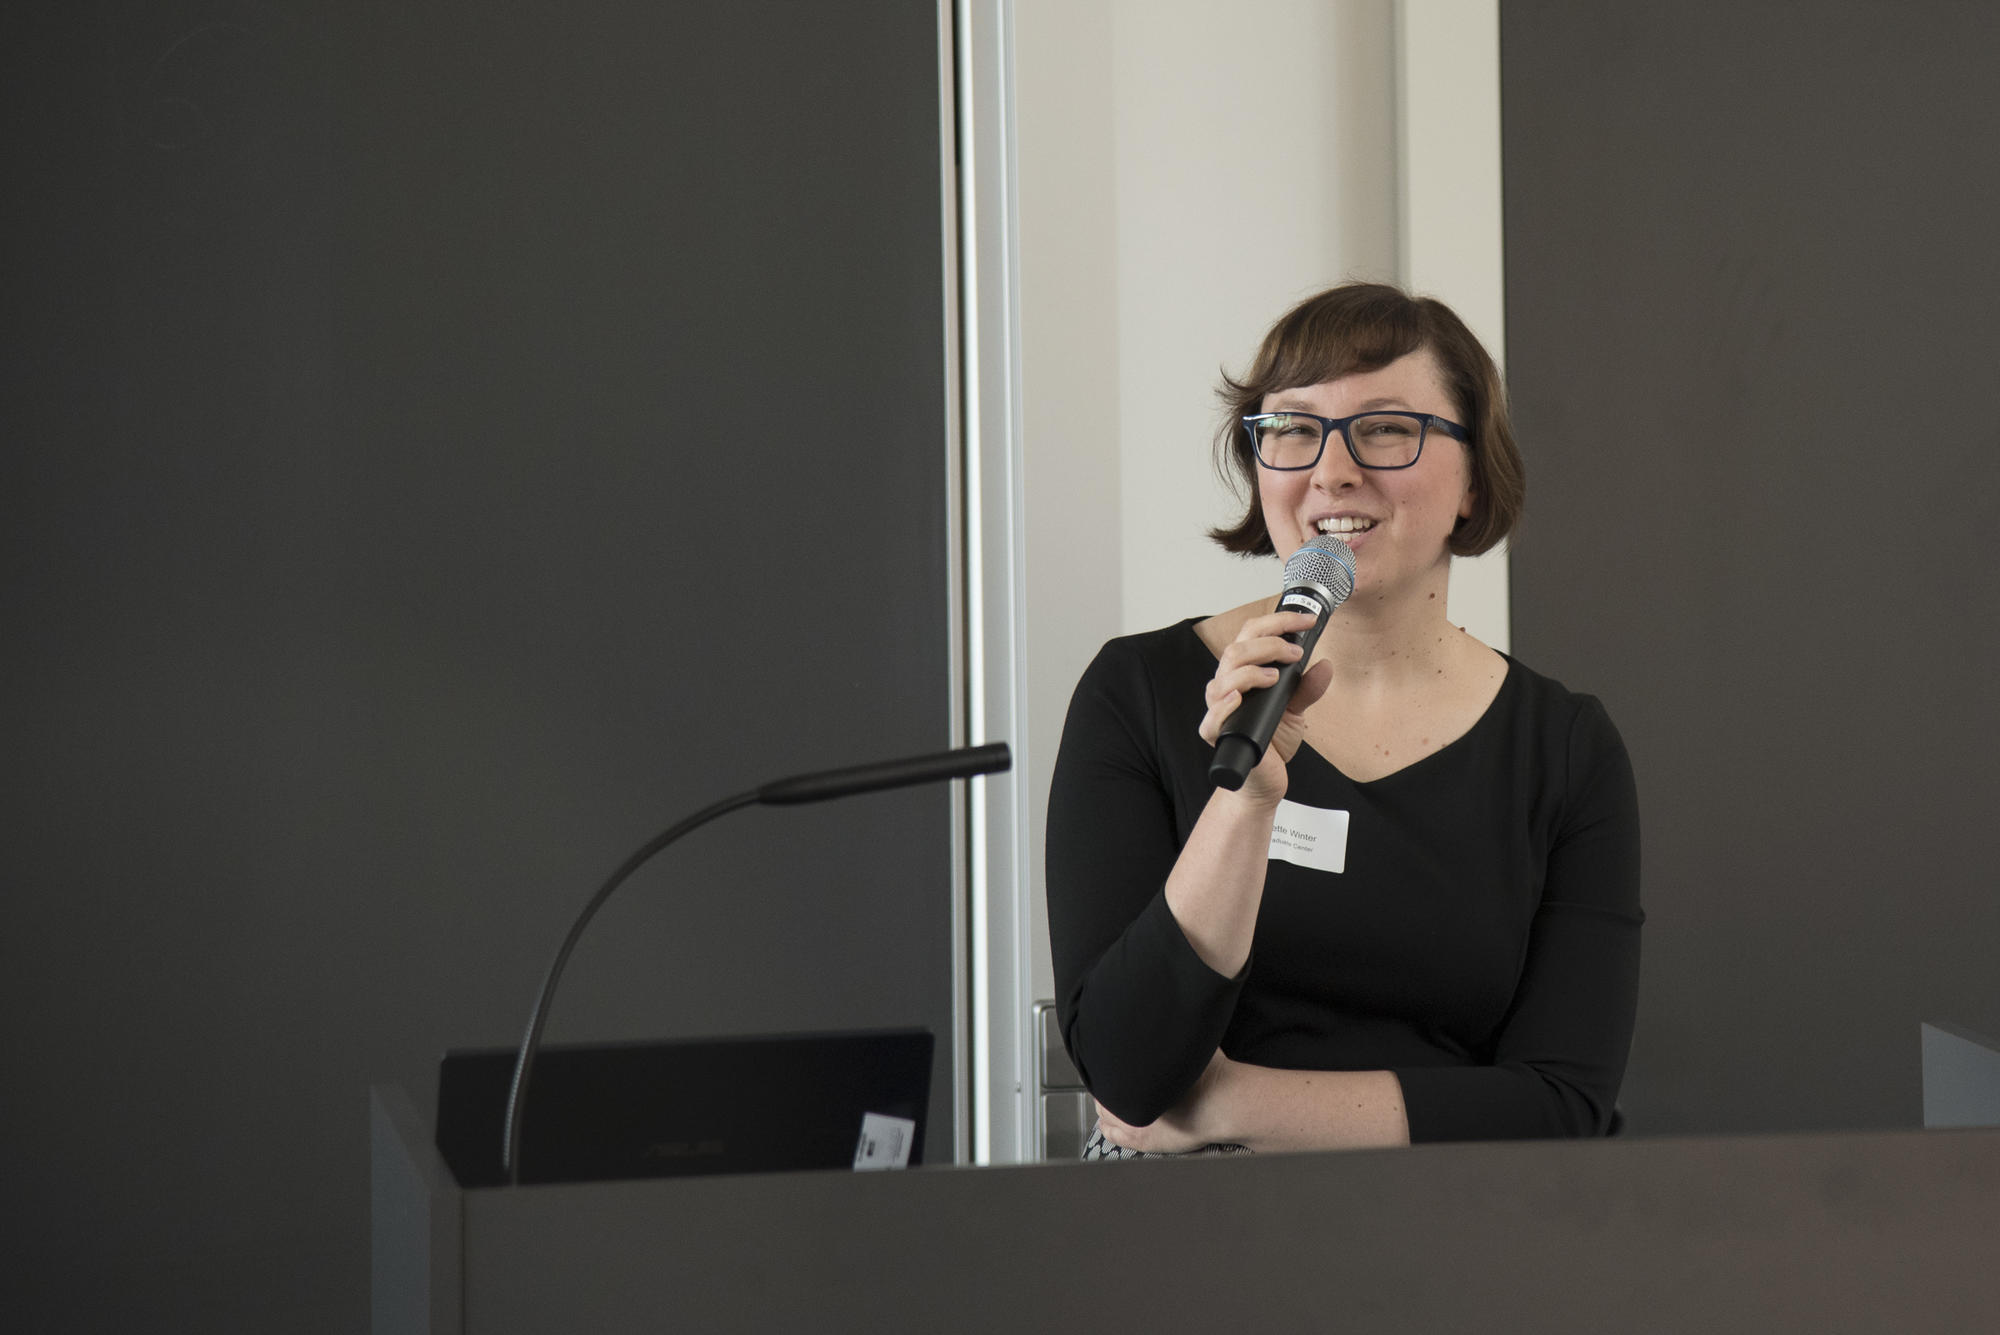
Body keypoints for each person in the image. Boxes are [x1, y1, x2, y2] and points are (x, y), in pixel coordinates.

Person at [1046, 281, 1642, 1156]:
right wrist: (1243, 806)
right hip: (1178, 1247)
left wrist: (1230, 1105)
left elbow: (1561, 1105)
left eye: (1387, 428)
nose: (1331, 470)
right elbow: (1129, 1073)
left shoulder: (1564, 749)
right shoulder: (1137, 692)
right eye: (1292, 428)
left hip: (1462, 1239)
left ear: (1474, 475)